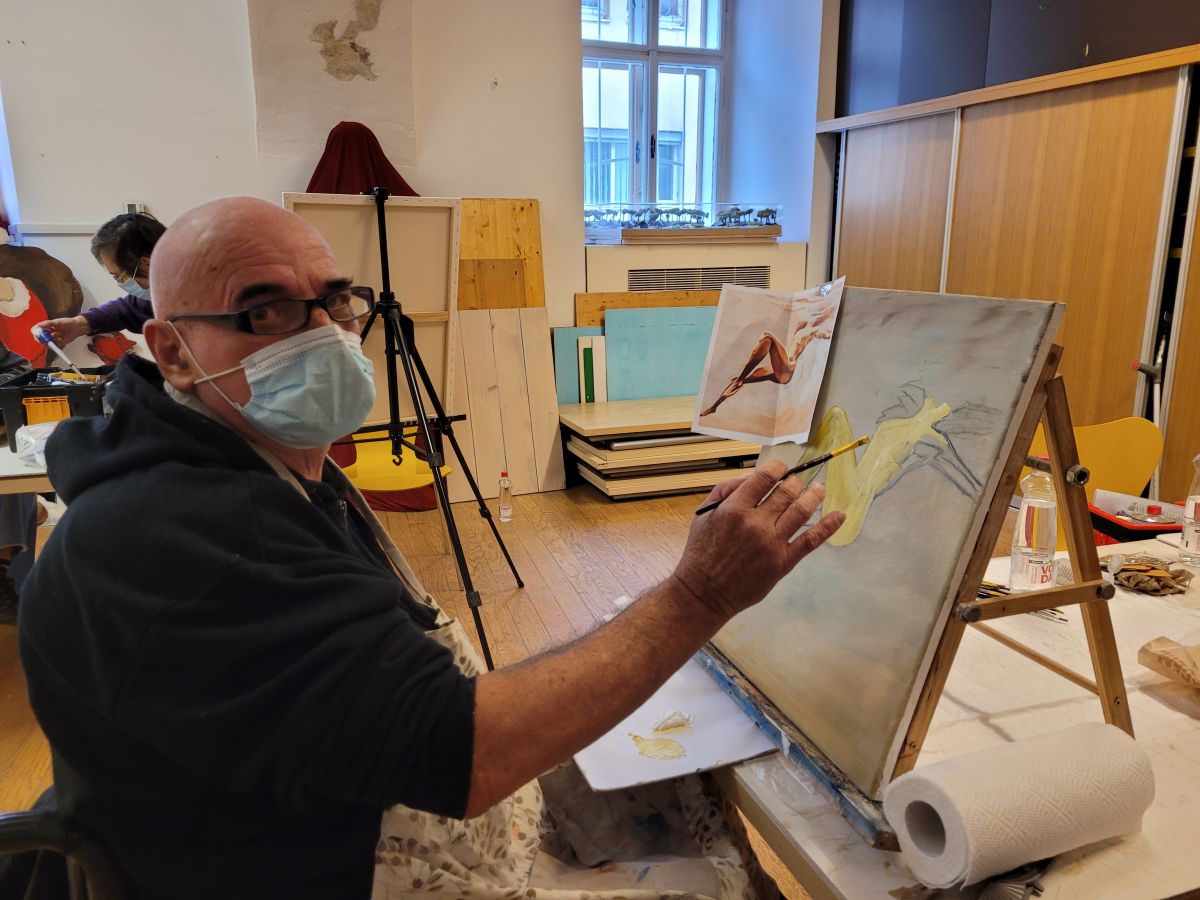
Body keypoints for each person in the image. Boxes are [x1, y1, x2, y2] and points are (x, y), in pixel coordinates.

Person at [18, 197, 844, 900]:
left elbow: (391, 688)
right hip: (302, 868)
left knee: (673, 763)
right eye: (265, 312)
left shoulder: (250, 465)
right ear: (171, 351)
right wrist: (699, 595)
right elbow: (462, 755)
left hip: (330, 807)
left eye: (333, 302)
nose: (324, 336)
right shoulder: (183, 536)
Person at [34, 212, 164, 347]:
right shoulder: (156, 297)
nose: (120, 283)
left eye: (119, 276)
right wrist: (78, 324)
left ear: (147, 264)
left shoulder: (178, 302)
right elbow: (126, 309)